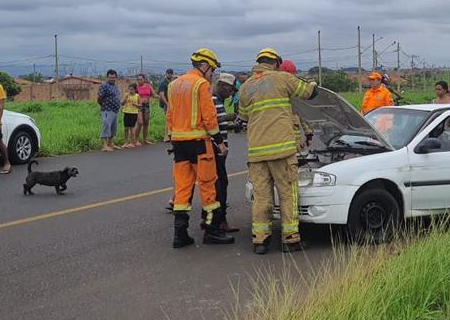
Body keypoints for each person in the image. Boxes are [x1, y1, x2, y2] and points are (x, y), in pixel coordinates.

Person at [238, 48, 317, 254]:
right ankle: (290, 239)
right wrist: (313, 83)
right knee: (287, 193)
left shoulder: (246, 87)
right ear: (275, 62)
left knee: (261, 197)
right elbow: (309, 93)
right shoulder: (283, 78)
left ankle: (260, 241)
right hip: (282, 150)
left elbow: (244, 117)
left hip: (256, 152)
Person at [166, 49, 233, 247]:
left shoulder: (174, 84)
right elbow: (209, 118)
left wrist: (173, 137)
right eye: (212, 70)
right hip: (199, 143)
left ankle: (180, 235)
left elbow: (169, 115)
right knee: (208, 186)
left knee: (183, 188)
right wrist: (219, 142)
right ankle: (212, 232)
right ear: (204, 66)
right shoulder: (201, 84)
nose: (212, 74)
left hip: (179, 143)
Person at [98, 70, 122, 152]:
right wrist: (104, 105)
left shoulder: (116, 86)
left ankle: (111, 143)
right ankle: (104, 145)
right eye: (110, 77)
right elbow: (99, 98)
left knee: (113, 127)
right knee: (106, 125)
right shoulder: (104, 86)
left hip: (115, 110)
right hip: (107, 109)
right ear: (107, 77)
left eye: (114, 77)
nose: (112, 79)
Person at [135, 74, 155, 145]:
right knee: (140, 123)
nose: (139, 81)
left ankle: (145, 139)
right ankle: (136, 140)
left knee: (146, 123)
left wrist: (159, 97)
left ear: (144, 79)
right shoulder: (136, 88)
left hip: (146, 106)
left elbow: (154, 94)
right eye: (138, 79)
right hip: (138, 106)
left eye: (141, 79)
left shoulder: (148, 86)